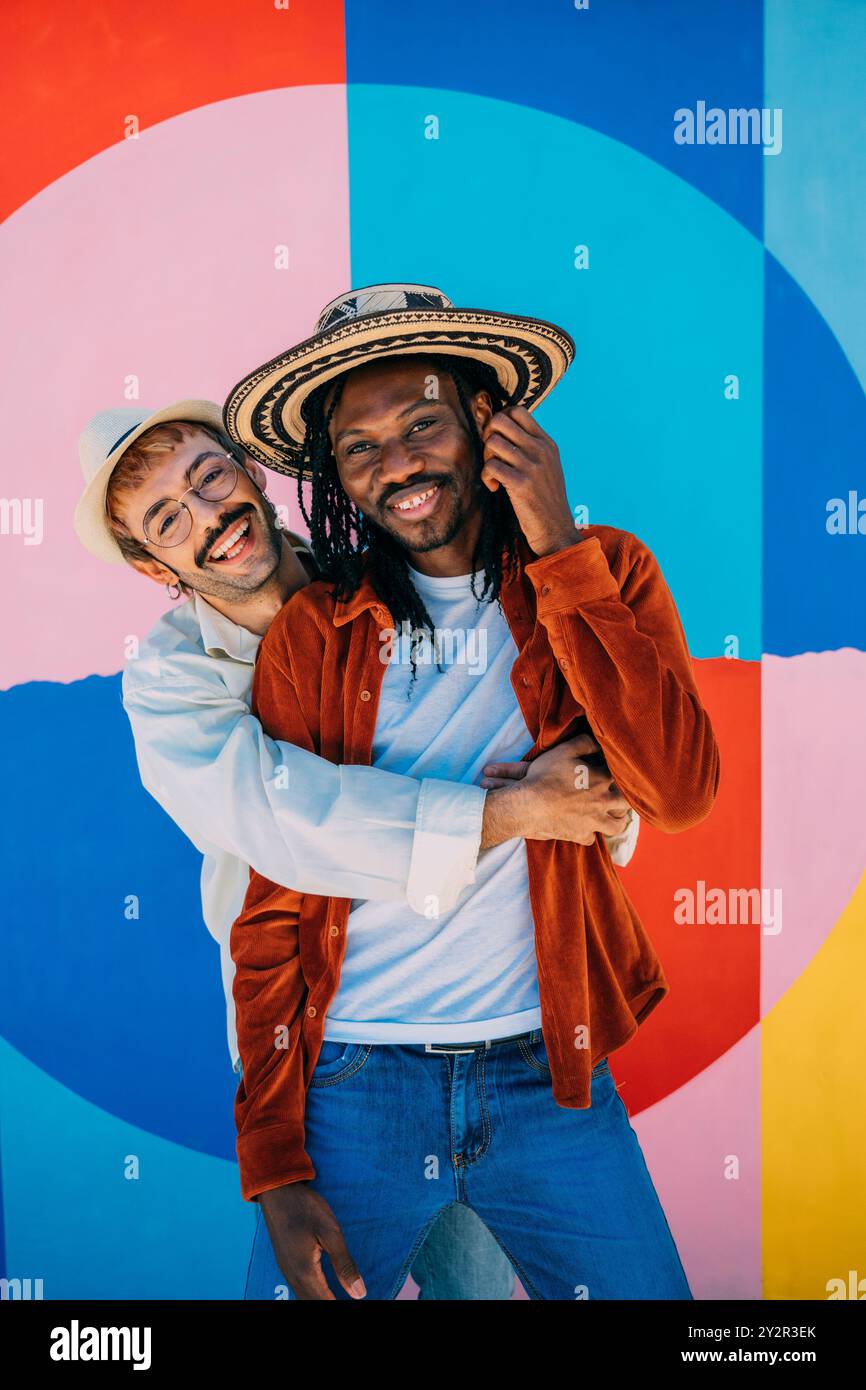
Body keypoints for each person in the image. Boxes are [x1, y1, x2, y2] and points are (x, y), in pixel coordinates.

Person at [73, 392, 639, 1301]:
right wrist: (517, 814)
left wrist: (606, 805)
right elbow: (289, 827)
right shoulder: (170, 684)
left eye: (209, 477)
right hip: (333, 1050)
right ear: (152, 565)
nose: (208, 517)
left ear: (251, 470)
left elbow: (509, 705)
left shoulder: (376, 577)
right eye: (167, 520)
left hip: (508, 1040)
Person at [224, 282, 720, 1301]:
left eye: (420, 424)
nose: (394, 465)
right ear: (335, 477)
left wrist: (549, 533)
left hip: (548, 1078)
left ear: (486, 424)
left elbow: (676, 789)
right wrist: (273, 1162)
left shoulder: (604, 570)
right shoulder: (311, 637)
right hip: (355, 1086)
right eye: (357, 449)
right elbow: (273, 910)